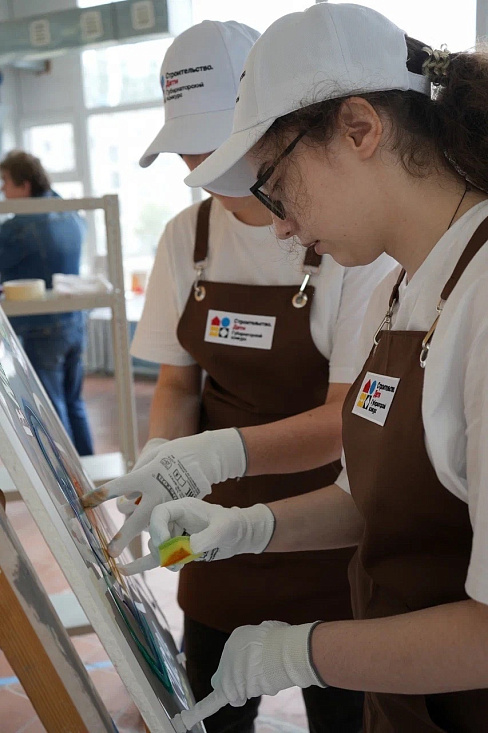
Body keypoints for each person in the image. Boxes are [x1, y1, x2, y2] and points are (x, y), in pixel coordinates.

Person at [111, 3, 488, 731]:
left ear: (360, 129)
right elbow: (369, 497)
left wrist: (301, 654)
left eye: (276, 184)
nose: (279, 224)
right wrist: (244, 526)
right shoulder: (402, 288)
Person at [83, 18, 395, 733]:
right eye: (187, 149)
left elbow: (344, 416)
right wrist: (164, 462)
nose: (200, 166)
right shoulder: (185, 238)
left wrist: (216, 454)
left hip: (328, 534)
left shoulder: (350, 241)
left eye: (215, 145)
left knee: (344, 715)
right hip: (210, 535)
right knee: (207, 712)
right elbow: (176, 384)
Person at [0, 151, 94, 456]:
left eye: (5, 182)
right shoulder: (68, 212)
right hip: (74, 322)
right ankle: (91, 471)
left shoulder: (19, 227)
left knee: (52, 412)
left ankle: (70, 480)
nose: (2, 190)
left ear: (24, 185)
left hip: (41, 329)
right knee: (74, 403)